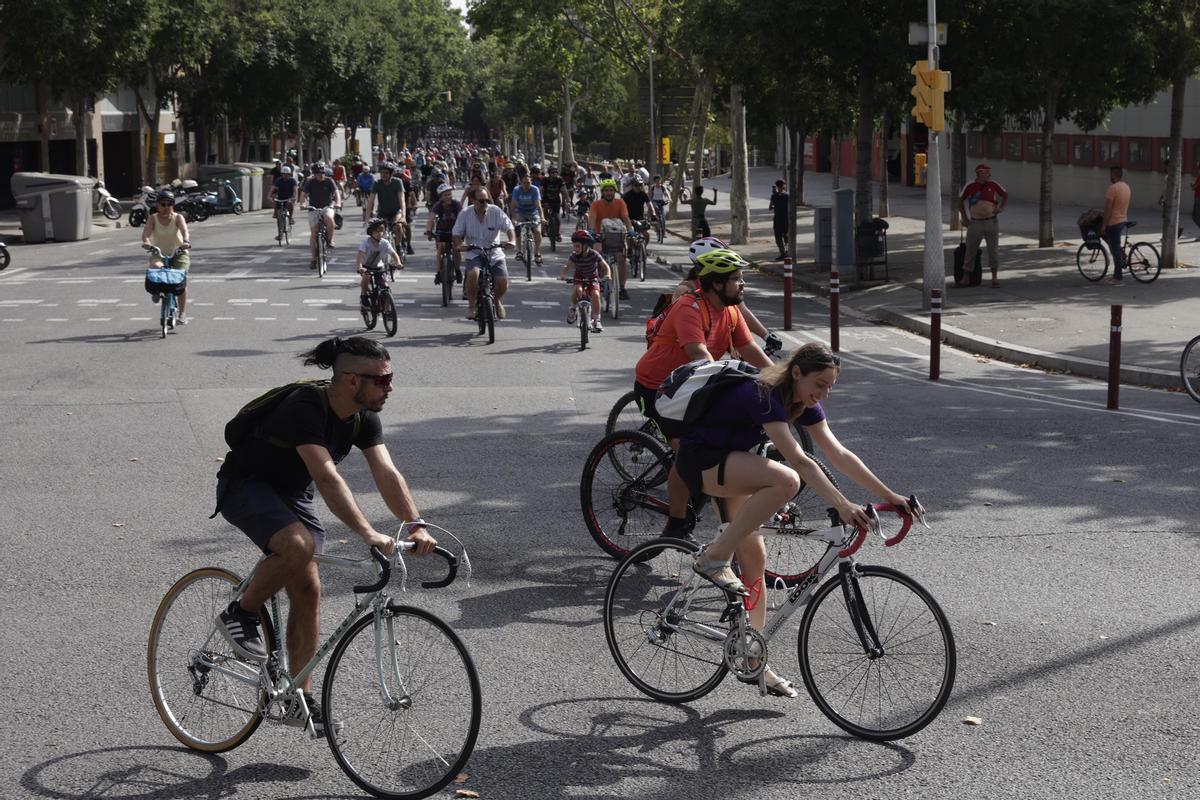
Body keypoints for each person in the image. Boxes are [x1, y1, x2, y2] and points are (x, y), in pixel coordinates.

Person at [213, 336, 437, 736]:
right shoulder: (305, 407)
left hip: (290, 494)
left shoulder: (363, 416)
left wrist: (416, 523)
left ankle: (298, 698)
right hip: (246, 486)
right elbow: (326, 476)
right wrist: (368, 532)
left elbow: (386, 474)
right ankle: (241, 612)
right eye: (383, 380)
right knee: (299, 546)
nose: (390, 387)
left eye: (391, 378)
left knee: (309, 588)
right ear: (352, 380)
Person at [680, 343, 893, 697]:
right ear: (796, 372)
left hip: (734, 461)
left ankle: (751, 660)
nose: (823, 393)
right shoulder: (763, 393)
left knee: (756, 562)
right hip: (703, 460)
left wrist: (890, 496)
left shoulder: (801, 399)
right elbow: (800, 459)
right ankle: (713, 557)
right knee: (787, 479)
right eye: (819, 384)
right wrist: (841, 503)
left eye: (829, 387)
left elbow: (837, 453)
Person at [633, 248, 772, 539]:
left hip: (694, 388)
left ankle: (703, 490)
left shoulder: (731, 310)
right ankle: (676, 523)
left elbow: (748, 348)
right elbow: (699, 354)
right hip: (659, 389)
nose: (743, 284)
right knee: (687, 451)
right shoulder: (688, 306)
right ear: (717, 284)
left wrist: (780, 380)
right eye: (737, 279)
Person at [670, 237, 782, 353]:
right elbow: (690, 340)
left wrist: (766, 335)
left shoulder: (727, 291)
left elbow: (743, 312)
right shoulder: (686, 291)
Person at [453, 187, 516, 320]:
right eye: (482, 201)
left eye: (487, 200)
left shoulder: (496, 211)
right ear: (473, 201)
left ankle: (497, 301)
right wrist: (460, 245)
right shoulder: (465, 213)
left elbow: (509, 227)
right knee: (473, 274)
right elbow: (457, 233)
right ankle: (471, 306)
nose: (485, 203)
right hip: (474, 251)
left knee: (503, 281)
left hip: (494, 251)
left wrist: (512, 241)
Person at [142, 190, 192, 322]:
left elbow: (185, 231)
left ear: (173, 205)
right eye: (163, 204)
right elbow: (146, 234)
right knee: (155, 267)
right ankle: (156, 291)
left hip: (178, 253)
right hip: (158, 252)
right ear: (157, 205)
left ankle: (182, 313)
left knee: (180, 280)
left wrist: (186, 242)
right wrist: (146, 242)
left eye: (169, 204)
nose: (166, 207)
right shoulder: (153, 218)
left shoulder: (178, 218)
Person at [958, 163, 1008, 288]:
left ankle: (994, 278)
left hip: (991, 221)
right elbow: (960, 200)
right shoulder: (970, 185)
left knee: (993, 250)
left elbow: (1005, 195)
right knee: (970, 250)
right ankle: (965, 277)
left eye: (989, 172)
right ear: (979, 173)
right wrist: (964, 217)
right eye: (986, 172)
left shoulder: (993, 185)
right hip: (975, 222)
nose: (989, 175)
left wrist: (1000, 208)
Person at [588, 178, 634, 299]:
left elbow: (626, 218)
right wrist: (592, 231)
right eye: (606, 190)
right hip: (600, 236)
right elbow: (592, 218)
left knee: (622, 258)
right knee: (597, 253)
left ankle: (622, 288)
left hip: (617, 235)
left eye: (611, 190)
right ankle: (598, 281)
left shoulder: (620, 203)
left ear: (615, 191)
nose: (609, 193)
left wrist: (631, 230)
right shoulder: (596, 204)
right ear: (602, 192)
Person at [558, 229, 611, 332]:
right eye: (574, 246)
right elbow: (566, 266)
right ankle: (573, 309)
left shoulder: (594, 254)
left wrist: (608, 274)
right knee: (577, 290)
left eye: (578, 246)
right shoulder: (574, 255)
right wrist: (563, 274)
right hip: (579, 276)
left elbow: (605, 266)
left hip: (592, 277)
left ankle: (597, 320)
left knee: (595, 294)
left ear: (586, 246)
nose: (575, 249)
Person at [298, 167, 341, 269]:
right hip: (313, 208)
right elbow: (303, 194)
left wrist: (338, 203)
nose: (320, 175)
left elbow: (336, 193)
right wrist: (302, 204)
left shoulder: (329, 181)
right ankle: (313, 259)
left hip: (327, 206)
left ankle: (330, 240)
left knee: (329, 218)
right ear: (314, 174)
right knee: (314, 232)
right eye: (318, 173)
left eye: (322, 173)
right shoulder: (310, 182)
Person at [356, 217, 402, 311]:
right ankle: (364, 295)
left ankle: (388, 310)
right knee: (366, 278)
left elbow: (394, 254)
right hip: (366, 267)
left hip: (378, 267)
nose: (380, 233)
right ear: (371, 232)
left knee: (386, 288)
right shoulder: (366, 243)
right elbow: (360, 256)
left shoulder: (385, 243)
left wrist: (398, 263)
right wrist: (360, 267)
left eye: (382, 230)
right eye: (376, 231)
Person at [426, 184, 463, 283]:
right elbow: (431, 218)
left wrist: (462, 231)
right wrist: (429, 231)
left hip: (455, 231)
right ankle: (438, 273)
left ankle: (457, 270)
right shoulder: (438, 205)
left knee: (456, 249)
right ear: (441, 197)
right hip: (442, 231)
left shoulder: (456, 204)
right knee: (440, 249)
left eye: (449, 194)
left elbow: (461, 218)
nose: (447, 197)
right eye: (445, 195)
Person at [1101, 165, 1132, 284]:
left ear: (1114, 174)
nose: (1110, 177)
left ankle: (1117, 276)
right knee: (1115, 245)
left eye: (1110, 174)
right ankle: (1121, 260)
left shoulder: (1112, 188)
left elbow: (1108, 209)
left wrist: (1104, 225)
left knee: (1115, 250)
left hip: (1114, 222)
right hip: (1123, 220)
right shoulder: (1126, 187)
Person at [366, 163, 405, 247]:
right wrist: (367, 218)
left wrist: (403, 215)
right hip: (382, 212)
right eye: (382, 173)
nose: (383, 175)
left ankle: (398, 246)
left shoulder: (398, 182)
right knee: (378, 230)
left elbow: (401, 199)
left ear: (391, 174)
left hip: (396, 212)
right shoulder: (377, 183)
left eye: (386, 173)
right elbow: (370, 201)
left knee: (398, 226)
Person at [509, 172, 544, 265]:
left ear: (531, 182)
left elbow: (539, 206)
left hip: (533, 213)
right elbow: (512, 206)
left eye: (528, 183)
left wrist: (542, 218)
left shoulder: (535, 190)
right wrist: (513, 218)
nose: (526, 185)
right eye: (524, 183)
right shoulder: (516, 190)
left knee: (538, 232)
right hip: (520, 213)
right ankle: (519, 251)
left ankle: (537, 253)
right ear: (521, 183)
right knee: (517, 229)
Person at [622, 177, 656, 247]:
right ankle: (630, 250)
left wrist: (653, 214)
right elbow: (622, 207)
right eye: (636, 185)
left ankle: (643, 249)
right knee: (630, 236)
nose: (638, 187)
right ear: (632, 185)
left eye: (640, 185)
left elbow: (649, 204)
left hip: (640, 219)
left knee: (646, 235)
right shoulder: (627, 195)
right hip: (629, 220)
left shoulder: (643, 194)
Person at [268, 165, 299, 239]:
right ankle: (280, 233)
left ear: (289, 174)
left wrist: (294, 197)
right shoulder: (279, 180)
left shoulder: (292, 181)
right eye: (283, 174)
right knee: (276, 202)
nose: (285, 176)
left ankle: (290, 218)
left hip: (289, 198)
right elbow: (273, 188)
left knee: (289, 203)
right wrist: (269, 196)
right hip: (281, 197)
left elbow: (295, 190)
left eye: (287, 174)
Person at [769, 179, 790, 260]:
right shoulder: (788, 195)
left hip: (777, 219)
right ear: (784, 186)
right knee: (786, 237)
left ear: (777, 186)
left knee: (778, 237)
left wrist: (776, 204)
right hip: (786, 219)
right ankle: (787, 252)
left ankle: (782, 253)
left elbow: (770, 207)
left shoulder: (774, 196)